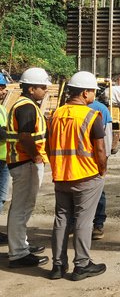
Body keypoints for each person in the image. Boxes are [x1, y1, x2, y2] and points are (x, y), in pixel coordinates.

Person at [47, 71, 107, 280]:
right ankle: (81, 265)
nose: (94, 96)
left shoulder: (56, 114)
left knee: (61, 219)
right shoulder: (91, 115)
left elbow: (48, 145)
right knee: (83, 220)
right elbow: (100, 150)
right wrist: (102, 170)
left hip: (61, 175)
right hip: (86, 176)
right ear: (84, 93)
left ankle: (57, 266)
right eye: (92, 92)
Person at [6, 67, 51, 268]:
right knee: (21, 208)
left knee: (22, 207)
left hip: (23, 162)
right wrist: (36, 157)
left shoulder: (25, 105)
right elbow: (25, 137)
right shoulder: (27, 107)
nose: (45, 90)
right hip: (26, 162)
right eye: (42, 87)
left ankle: (20, 244)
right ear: (31, 89)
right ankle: (18, 253)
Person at [87, 97, 113, 240]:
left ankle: (97, 224)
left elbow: (105, 141)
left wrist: (103, 160)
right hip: (83, 161)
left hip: (93, 160)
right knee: (98, 193)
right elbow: (107, 140)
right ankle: (97, 224)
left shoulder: (100, 109)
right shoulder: (101, 109)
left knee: (98, 193)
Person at [0, 73, 9, 244]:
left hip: (3, 159)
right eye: (1, 88)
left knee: (1, 198)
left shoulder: (2, 108)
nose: (3, 91)